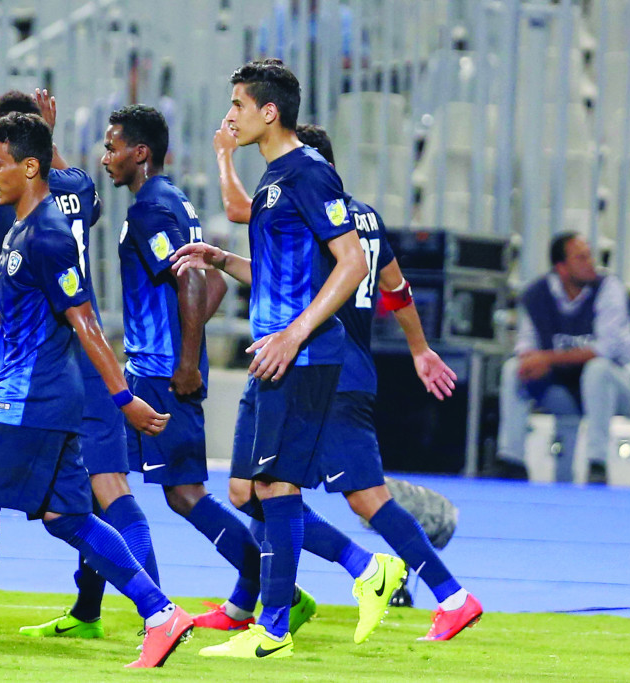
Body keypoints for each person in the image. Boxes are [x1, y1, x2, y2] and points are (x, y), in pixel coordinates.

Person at [0, 112, 193, 668]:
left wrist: (124, 400)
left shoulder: (47, 234)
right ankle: (162, 614)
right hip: (41, 398)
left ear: (28, 167)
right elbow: (9, 319)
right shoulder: (21, 230)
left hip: (28, 399)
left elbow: (85, 322)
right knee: (67, 518)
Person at [204, 120, 483, 642]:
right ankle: (254, 601)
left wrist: (223, 155)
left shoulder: (304, 203)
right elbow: (396, 288)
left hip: (323, 368)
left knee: (353, 496)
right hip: (320, 366)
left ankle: (445, 594)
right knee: (251, 488)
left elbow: (242, 212)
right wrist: (419, 348)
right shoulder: (367, 218)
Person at [171, 58, 370, 659]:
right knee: (252, 487)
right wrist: (222, 259)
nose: (229, 116)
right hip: (274, 354)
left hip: (301, 355)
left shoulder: (309, 172)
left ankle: (275, 628)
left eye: (238, 104)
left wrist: (293, 335)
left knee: (276, 485)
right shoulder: (274, 177)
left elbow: (353, 262)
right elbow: (283, 276)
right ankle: (340, 580)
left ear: (269, 111)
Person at [92, 104, 269, 633]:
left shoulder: (149, 209)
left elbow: (193, 281)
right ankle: (99, 608)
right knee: (103, 481)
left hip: (160, 375)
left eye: (112, 147)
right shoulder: (173, 200)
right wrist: (181, 340)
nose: (105, 158)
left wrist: (185, 360)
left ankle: (253, 585)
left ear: (140, 152)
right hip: (155, 368)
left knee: (177, 493)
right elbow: (212, 282)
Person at [498, 232, 630, 480]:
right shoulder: (536, 294)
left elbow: (606, 349)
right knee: (514, 369)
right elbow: (526, 346)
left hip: (622, 389)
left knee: (597, 369)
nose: (591, 263)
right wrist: (530, 361)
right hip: (568, 393)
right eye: (581, 258)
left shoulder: (608, 288)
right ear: (561, 267)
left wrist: (547, 359)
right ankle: (512, 460)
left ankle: (597, 463)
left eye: (590, 256)